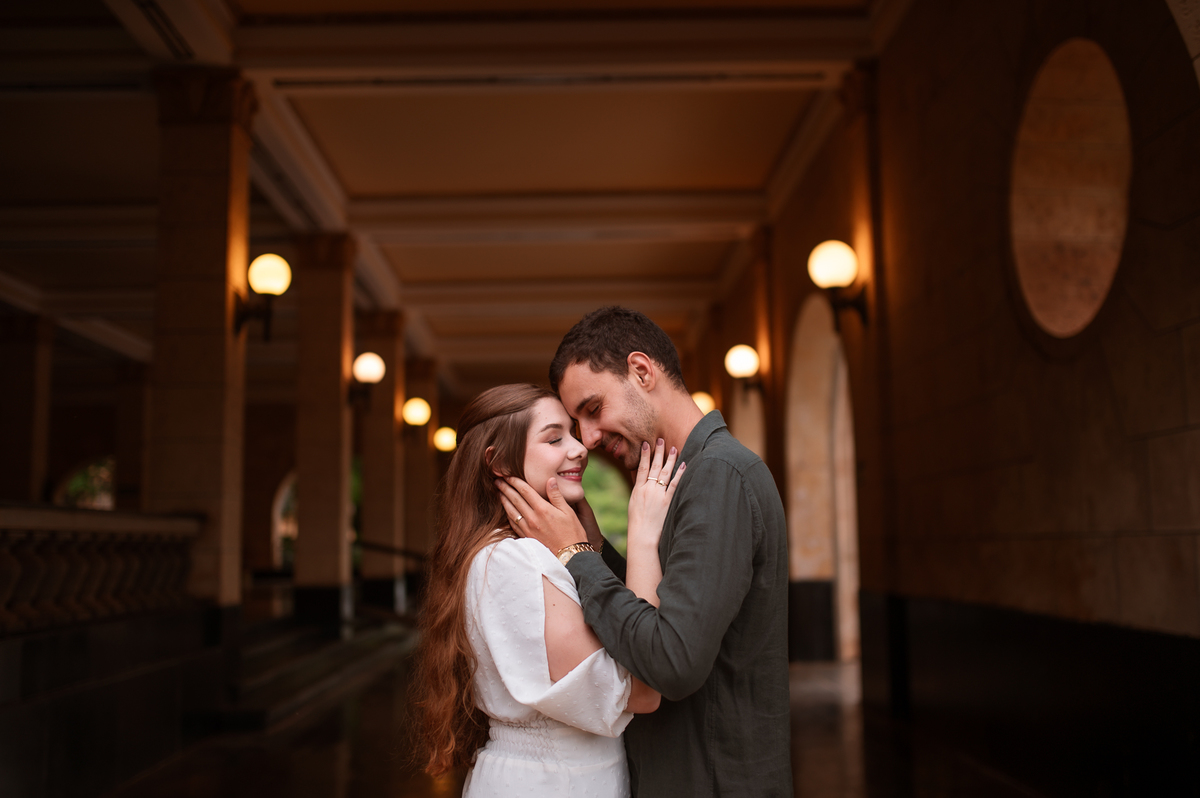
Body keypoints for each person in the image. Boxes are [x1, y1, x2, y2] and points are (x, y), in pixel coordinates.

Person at [494, 307, 791, 797]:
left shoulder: (718, 476)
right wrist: (593, 546)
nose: (586, 439)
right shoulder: (686, 477)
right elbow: (660, 609)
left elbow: (673, 660)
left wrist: (577, 555)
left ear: (641, 371)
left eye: (592, 409)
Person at [412, 383, 684, 797]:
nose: (580, 448)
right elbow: (643, 691)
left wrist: (581, 547)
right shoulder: (515, 562)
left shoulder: (510, 555)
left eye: (572, 434)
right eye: (555, 438)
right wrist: (644, 533)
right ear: (499, 462)